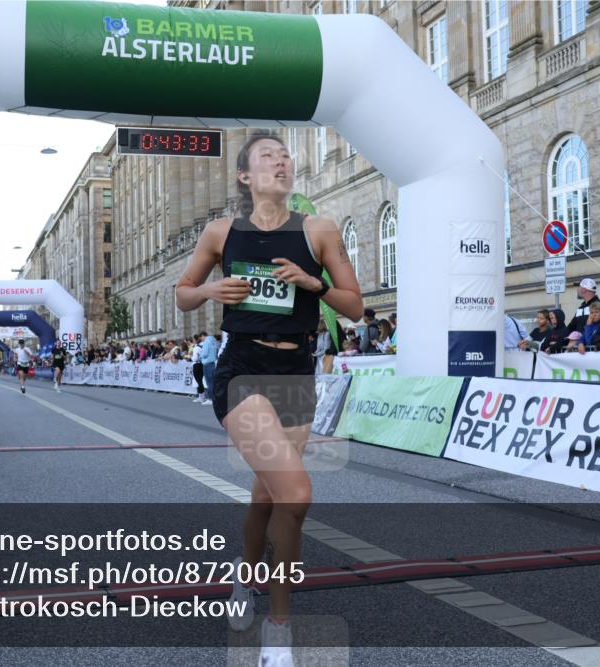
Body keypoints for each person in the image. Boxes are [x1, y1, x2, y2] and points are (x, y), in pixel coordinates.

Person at [174, 131, 363, 665]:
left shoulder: (320, 230)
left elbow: (355, 308)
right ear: (245, 176)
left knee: (267, 495)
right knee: (296, 495)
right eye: (267, 157)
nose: (281, 162)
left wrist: (313, 282)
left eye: (285, 156)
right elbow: (184, 293)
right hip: (243, 371)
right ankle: (278, 628)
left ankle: (245, 575)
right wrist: (210, 290)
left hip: (296, 371)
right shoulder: (220, 232)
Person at [198, 331, 218, 406]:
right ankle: (214, 398)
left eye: (201, 338)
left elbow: (205, 353)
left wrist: (200, 355)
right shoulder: (213, 341)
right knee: (212, 382)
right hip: (212, 363)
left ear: (203, 336)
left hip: (207, 363)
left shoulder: (206, 342)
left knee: (209, 382)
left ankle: (210, 399)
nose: (201, 339)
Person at [190, 333, 206, 403]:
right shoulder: (203, 345)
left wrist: (191, 357)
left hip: (197, 364)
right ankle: (201, 396)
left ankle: (201, 397)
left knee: (199, 381)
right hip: (202, 364)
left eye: (193, 339)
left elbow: (195, 358)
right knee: (200, 381)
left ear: (195, 340)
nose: (192, 340)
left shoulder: (196, 347)